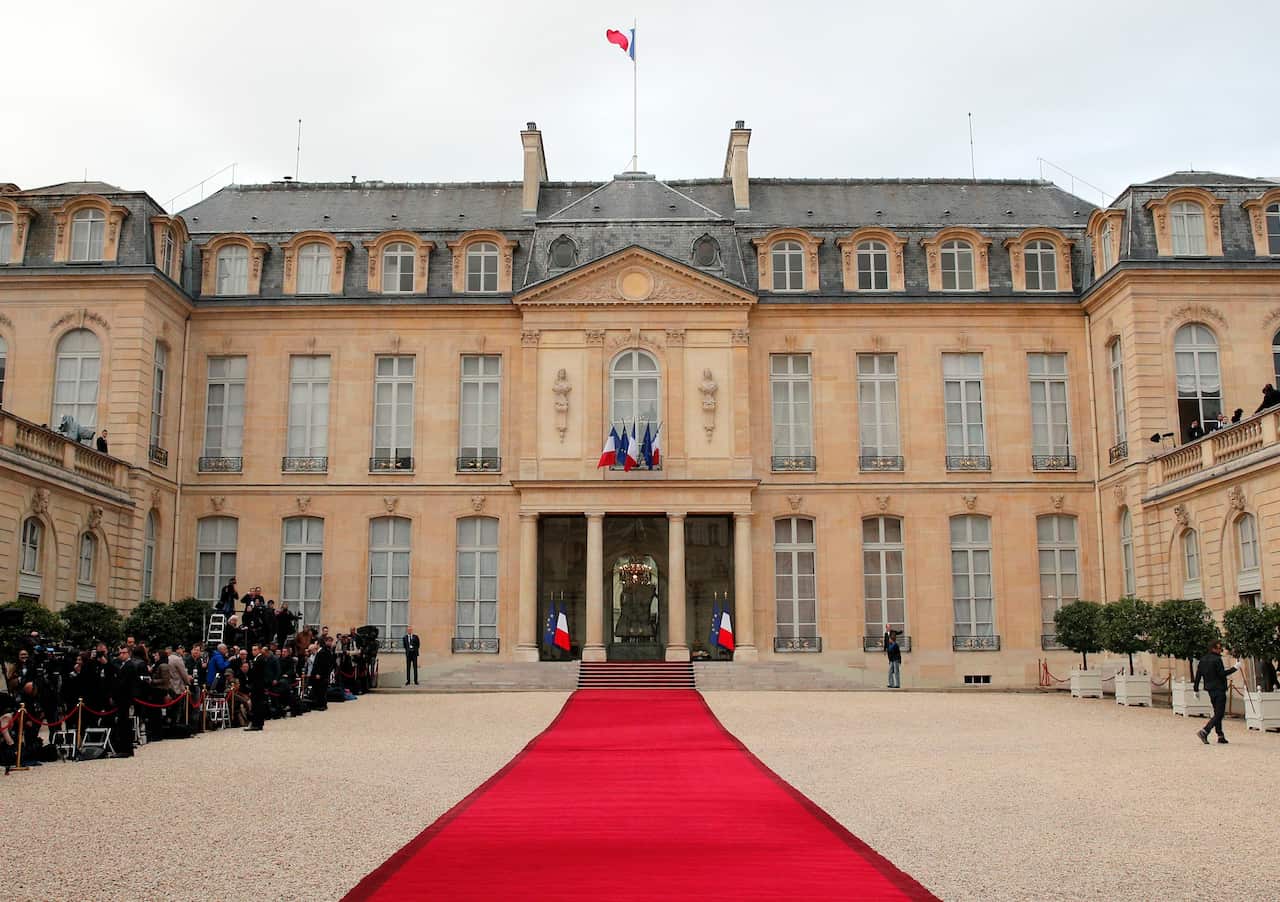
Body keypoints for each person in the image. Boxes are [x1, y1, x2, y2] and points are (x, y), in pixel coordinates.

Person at [1193, 640, 1241, 745]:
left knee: (1217, 713)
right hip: (1219, 688)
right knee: (1219, 713)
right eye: (1219, 648)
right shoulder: (1217, 659)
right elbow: (1221, 674)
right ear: (1213, 648)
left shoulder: (1203, 659)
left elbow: (1198, 675)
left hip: (1210, 689)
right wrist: (1235, 668)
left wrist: (1195, 689)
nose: (1221, 650)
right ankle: (1205, 731)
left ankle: (1220, 735)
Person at [113, 646, 151, 757]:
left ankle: (125, 749)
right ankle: (123, 748)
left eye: (123, 653)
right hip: (123, 698)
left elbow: (124, 683)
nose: (121, 655)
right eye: (120, 653)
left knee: (125, 723)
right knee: (123, 723)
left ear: (129, 653)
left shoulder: (129, 666)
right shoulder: (124, 665)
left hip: (125, 698)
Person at [246, 646, 267, 732]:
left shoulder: (260, 659)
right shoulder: (257, 659)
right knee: (257, 704)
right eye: (252, 649)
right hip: (257, 685)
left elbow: (256, 673)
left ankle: (256, 723)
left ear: (259, 650)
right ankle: (257, 723)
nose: (253, 651)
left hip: (258, 685)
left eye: (255, 650)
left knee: (257, 704)